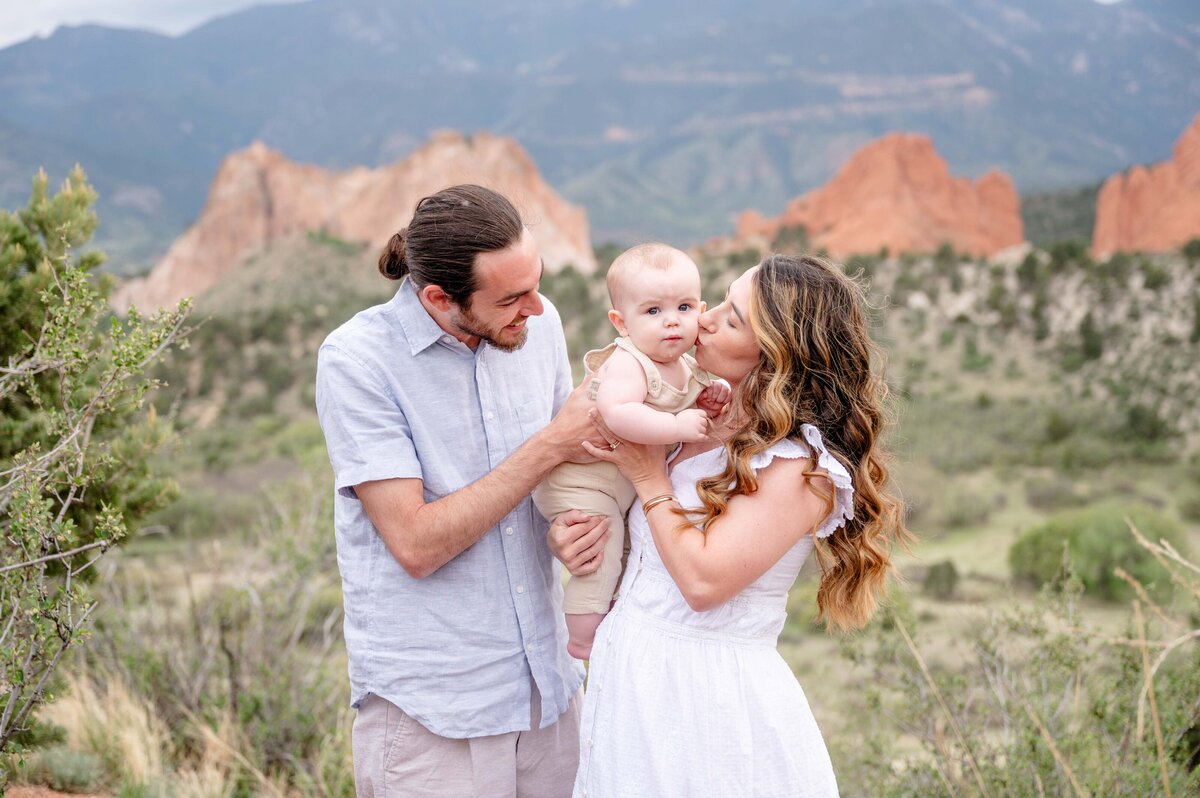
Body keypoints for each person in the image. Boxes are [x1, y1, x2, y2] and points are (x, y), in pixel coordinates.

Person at [556, 254, 912, 797]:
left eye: (733, 317)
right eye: (718, 301)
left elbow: (703, 582)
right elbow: (648, 550)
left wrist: (649, 477)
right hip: (632, 680)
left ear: (777, 352)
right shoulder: (686, 412)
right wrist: (577, 534)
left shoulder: (799, 467)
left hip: (706, 703)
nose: (704, 318)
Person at [315, 184, 612, 797]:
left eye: (536, 283)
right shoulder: (357, 361)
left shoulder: (541, 323)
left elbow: (553, 476)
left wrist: (563, 525)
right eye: (512, 297)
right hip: (433, 715)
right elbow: (416, 543)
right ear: (438, 297)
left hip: (549, 696)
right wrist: (549, 446)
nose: (535, 307)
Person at [533, 243, 728, 660]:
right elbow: (618, 413)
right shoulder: (630, 362)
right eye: (653, 311)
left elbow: (685, 400)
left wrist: (707, 400)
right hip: (583, 484)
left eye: (684, 307)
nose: (672, 321)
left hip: (618, 485)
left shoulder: (686, 366)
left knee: (624, 552)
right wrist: (677, 425)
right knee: (601, 552)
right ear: (621, 323)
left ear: (701, 309)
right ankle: (583, 641)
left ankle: (613, 618)